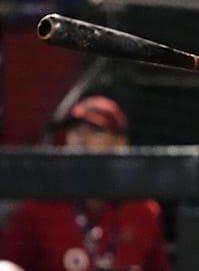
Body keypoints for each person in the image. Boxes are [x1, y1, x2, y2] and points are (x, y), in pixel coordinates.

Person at [0, 96, 172, 271]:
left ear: (120, 142)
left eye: (94, 131)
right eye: (75, 131)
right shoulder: (37, 207)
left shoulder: (143, 210)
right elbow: (7, 264)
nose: (82, 140)